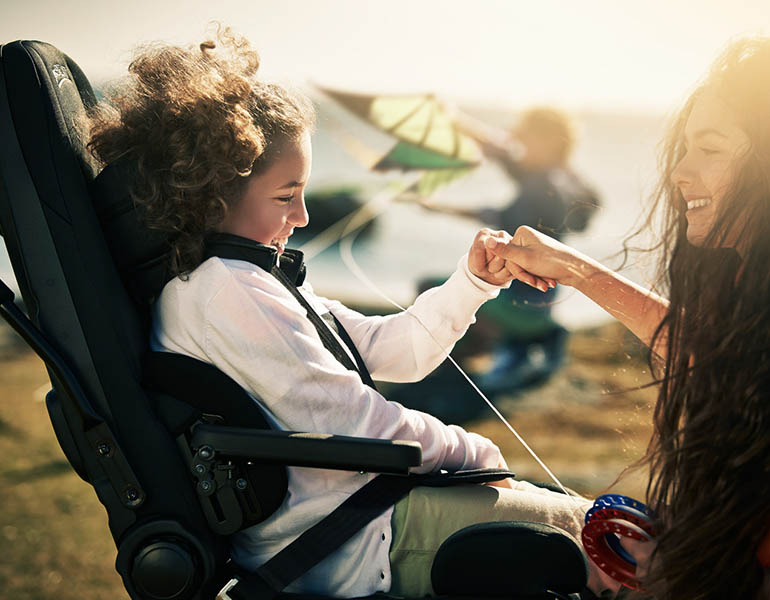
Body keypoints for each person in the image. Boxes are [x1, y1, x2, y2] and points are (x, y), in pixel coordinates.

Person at [86, 31, 616, 598]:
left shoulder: (242, 281)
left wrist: (471, 283)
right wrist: (476, 454)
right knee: (615, 548)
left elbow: (399, 350)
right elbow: (364, 426)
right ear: (210, 194)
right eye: (287, 195)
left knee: (611, 535)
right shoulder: (225, 295)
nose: (305, 214)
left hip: (369, 514)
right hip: (354, 538)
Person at [484, 36, 770, 600]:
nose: (681, 172)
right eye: (685, 148)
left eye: (710, 149)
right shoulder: (743, 280)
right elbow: (712, 357)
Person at [422, 107, 600, 391]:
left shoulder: (541, 186)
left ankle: (514, 347)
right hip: (543, 301)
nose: (518, 144)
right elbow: (504, 154)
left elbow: (501, 217)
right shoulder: (564, 179)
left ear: (549, 141)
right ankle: (523, 343)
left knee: (431, 288)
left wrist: (440, 207)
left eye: (525, 138)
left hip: (522, 308)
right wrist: (456, 120)